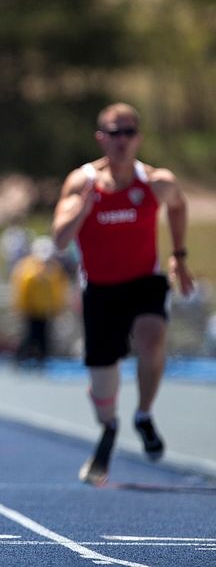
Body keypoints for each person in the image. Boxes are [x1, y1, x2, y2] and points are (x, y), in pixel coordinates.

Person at [51, 102, 194, 485]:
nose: (122, 140)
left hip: (143, 281)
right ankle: (109, 425)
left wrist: (178, 255)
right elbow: (60, 239)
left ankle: (144, 414)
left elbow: (179, 206)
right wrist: (82, 211)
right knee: (103, 386)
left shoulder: (156, 182)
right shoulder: (81, 183)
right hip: (99, 289)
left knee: (152, 338)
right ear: (101, 138)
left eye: (129, 132)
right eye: (114, 133)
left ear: (139, 139)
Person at [11, 235, 70, 366]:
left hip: (46, 310)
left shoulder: (55, 269)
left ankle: (43, 359)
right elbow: (21, 289)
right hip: (31, 310)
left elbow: (58, 290)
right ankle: (22, 359)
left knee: (44, 337)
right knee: (29, 336)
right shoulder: (26, 267)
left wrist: (58, 307)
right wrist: (21, 307)